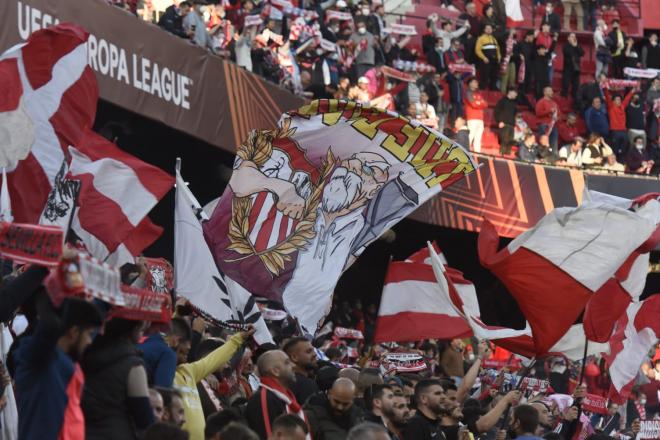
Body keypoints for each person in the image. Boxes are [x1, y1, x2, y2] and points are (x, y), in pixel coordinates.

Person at [14, 297, 103, 440]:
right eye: (88, 334)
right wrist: (58, 287)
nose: (90, 341)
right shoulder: (40, 360)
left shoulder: (70, 364)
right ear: (73, 333)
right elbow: (48, 329)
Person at [175, 326, 254, 440]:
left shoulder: (189, 372)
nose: (188, 347)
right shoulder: (162, 378)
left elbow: (217, 358)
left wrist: (240, 337)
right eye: (183, 344)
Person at [82, 318, 153, 440]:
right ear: (133, 326)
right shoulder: (134, 365)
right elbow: (144, 417)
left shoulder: (86, 352)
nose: (146, 324)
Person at [246, 350, 307, 439]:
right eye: (287, 363)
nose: (294, 366)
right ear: (275, 371)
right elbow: (268, 436)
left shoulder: (285, 396)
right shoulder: (263, 399)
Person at [140, 317, 192, 388]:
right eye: (181, 352)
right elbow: (163, 392)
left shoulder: (143, 340)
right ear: (176, 341)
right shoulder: (168, 354)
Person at [283, 337, 319, 405]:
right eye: (309, 351)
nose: (315, 354)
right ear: (294, 357)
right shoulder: (306, 384)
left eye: (313, 350)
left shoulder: (283, 381)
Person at [605, 87, 634, 158]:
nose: (619, 101)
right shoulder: (611, 107)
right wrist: (605, 89)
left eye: (620, 99)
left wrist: (632, 91)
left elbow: (627, 99)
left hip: (623, 131)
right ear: (613, 101)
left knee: (625, 147)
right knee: (615, 148)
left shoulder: (622, 106)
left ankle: (621, 161)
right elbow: (607, 97)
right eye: (617, 99)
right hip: (615, 131)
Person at [463, 77, 488, 152]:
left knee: (478, 138)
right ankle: (465, 152)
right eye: (474, 82)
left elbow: (485, 104)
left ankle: (477, 154)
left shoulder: (478, 93)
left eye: (477, 82)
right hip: (472, 118)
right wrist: (479, 103)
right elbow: (473, 104)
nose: (476, 84)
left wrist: (478, 103)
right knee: (470, 136)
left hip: (480, 118)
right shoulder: (468, 92)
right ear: (470, 83)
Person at [475, 24, 501, 90]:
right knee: (484, 77)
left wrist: (499, 57)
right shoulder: (481, 38)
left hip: (494, 61)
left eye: (490, 28)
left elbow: (497, 49)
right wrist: (484, 58)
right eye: (487, 28)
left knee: (494, 77)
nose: (489, 30)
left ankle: (492, 90)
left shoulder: (494, 39)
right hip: (486, 61)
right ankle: (482, 90)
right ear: (484, 30)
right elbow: (477, 50)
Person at [495, 88, 519, 154]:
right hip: (504, 123)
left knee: (510, 141)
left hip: (511, 124)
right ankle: (501, 154)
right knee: (504, 140)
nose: (516, 95)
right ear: (510, 92)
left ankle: (508, 154)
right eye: (515, 93)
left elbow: (515, 114)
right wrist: (500, 121)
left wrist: (514, 124)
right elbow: (497, 111)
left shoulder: (514, 103)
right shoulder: (502, 101)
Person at [536, 86, 559, 151]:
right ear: (544, 92)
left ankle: (553, 156)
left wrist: (557, 118)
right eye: (550, 91)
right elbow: (538, 113)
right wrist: (549, 111)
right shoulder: (541, 102)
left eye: (552, 91)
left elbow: (559, 114)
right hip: (544, 125)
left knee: (554, 143)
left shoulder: (554, 103)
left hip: (552, 126)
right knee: (543, 143)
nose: (552, 92)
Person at [562, 33, 584, 100]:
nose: (573, 38)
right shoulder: (565, 45)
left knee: (576, 85)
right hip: (568, 68)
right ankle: (564, 97)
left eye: (574, 36)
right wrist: (574, 46)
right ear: (568, 38)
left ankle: (574, 98)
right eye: (572, 36)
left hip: (576, 68)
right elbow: (569, 53)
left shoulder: (577, 45)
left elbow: (582, 53)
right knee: (566, 84)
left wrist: (576, 46)